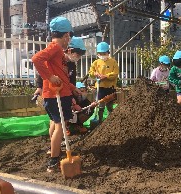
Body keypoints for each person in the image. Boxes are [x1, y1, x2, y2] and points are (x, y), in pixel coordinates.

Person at [32, 16, 81, 172]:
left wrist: (72, 87)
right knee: (60, 125)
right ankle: (53, 160)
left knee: (57, 124)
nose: (69, 40)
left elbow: (62, 75)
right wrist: (50, 77)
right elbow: (36, 59)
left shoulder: (58, 51)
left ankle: (54, 151)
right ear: (66, 35)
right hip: (55, 95)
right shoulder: (55, 47)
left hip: (60, 93)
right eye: (69, 37)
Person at [34, 36, 90, 137]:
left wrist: (73, 92)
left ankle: (56, 143)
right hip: (54, 93)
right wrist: (39, 87)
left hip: (65, 93)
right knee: (57, 122)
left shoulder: (72, 64)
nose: (78, 57)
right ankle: (55, 144)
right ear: (69, 50)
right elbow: (42, 72)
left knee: (59, 121)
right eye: (78, 54)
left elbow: (70, 81)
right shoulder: (57, 58)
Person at [88, 42, 119, 123]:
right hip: (99, 87)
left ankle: (111, 122)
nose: (102, 55)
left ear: (108, 52)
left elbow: (115, 74)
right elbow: (91, 72)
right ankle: (100, 121)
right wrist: (95, 73)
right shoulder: (96, 62)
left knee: (109, 105)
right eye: (100, 53)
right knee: (100, 106)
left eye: (104, 53)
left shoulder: (113, 62)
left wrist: (106, 76)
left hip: (110, 87)